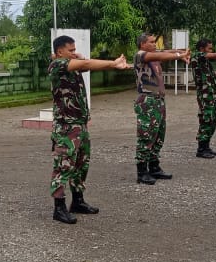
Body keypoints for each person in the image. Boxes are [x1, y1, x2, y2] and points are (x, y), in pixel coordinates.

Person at [48, 35, 130, 224]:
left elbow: (85, 63)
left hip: (80, 124)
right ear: (60, 51)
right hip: (66, 127)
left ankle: (78, 201)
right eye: (70, 50)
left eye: (75, 49)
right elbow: (87, 64)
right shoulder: (57, 65)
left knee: (81, 164)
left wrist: (78, 57)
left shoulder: (71, 64)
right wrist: (113, 63)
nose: (74, 52)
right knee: (63, 166)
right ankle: (58, 208)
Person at [133, 33, 189, 185]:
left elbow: (166, 52)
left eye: (154, 42)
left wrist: (180, 52)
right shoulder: (140, 55)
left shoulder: (154, 55)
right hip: (147, 100)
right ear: (142, 44)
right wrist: (179, 55)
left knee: (158, 135)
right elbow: (165, 55)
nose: (154, 45)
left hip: (158, 100)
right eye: (151, 42)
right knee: (146, 136)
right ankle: (142, 171)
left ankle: (154, 167)